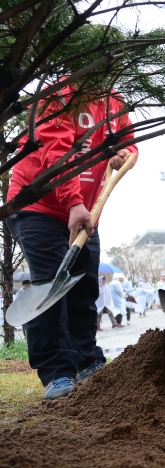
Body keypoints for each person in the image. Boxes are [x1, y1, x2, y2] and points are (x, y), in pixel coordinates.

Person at [7, 84, 137, 399]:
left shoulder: (113, 103)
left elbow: (131, 144)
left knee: (84, 289)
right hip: (38, 206)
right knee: (51, 286)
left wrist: (123, 154)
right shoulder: (58, 96)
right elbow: (55, 154)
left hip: (84, 212)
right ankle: (58, 374)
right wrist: (74, 203)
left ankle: (87, 363)